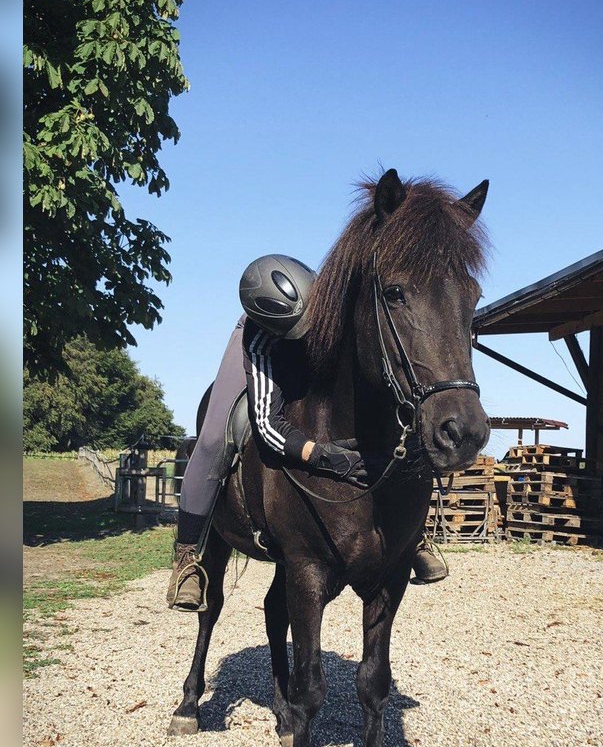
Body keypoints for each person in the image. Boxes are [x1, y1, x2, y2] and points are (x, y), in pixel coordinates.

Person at [166, 255, 448, 612]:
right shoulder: (258, 337)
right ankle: (187, 556)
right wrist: (320, 454)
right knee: (210, 441)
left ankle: (414, 535)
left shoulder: (334, 305)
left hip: (318, 327)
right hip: (265, 342)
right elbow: (267, 424)